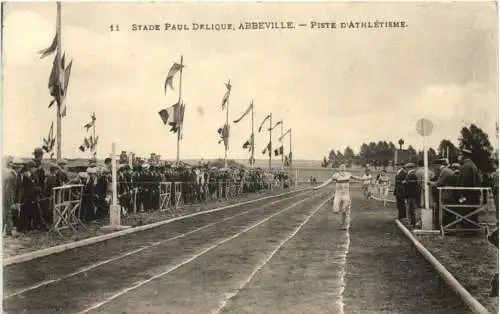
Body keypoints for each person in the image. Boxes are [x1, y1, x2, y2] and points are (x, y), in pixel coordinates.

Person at [313, 164, 364, 230]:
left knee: (344, 210)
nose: (342, 168)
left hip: (346, 195)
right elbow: (327, 182)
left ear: (345, 169)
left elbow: (358, 178)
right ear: (339, 169)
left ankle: (344, 225)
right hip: (338, 195)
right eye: (341, 167)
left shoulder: (349, 174)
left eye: (344, 167)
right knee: (335, 211)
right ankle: (342, 219)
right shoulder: (336, 175)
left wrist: (366, 178)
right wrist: (318, 187)